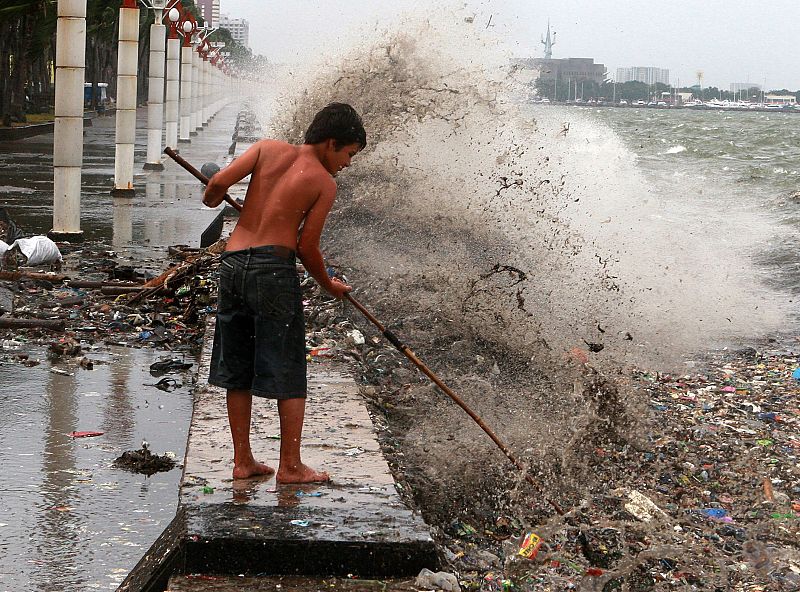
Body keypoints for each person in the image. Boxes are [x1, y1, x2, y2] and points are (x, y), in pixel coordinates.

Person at [203, 103, 366, 483]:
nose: (347, 163)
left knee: (237, 366)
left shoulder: (266, 149)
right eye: (348, 154)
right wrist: (330, 285)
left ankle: (243, 461)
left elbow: (217, 186)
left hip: (232, 265)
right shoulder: (324, 183)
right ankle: (290, 466)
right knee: (288, 364)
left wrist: (211, 200)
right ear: (330, 143)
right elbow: (307, 247)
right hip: (272, 270)